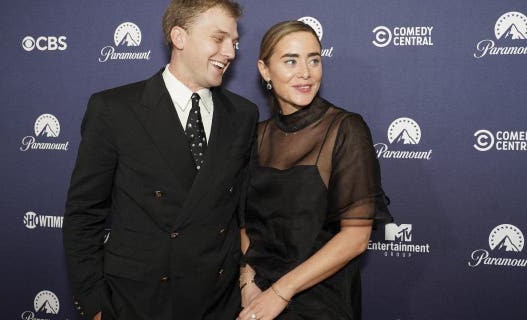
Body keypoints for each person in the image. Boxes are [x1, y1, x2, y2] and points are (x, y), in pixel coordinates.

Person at [62, 1, 258, 319]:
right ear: (179, 37)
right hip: (137, 302)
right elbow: (83, 216)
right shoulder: (114, 110)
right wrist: (96, 305)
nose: (231, 52)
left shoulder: (243, 114)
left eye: (234, 42)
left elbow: (244, 216)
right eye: (219, 38)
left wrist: (247, 283)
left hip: (218, 302)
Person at [238, 21, 393, 320]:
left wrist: (281, 292)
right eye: (290, 61)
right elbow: (245, 223)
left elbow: (356, 238)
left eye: (314, 60)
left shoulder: (345, 129)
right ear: (265, 70)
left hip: (320, 298)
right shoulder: (255, 135)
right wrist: (247, 282)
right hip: (256, 296)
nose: (305, 72)